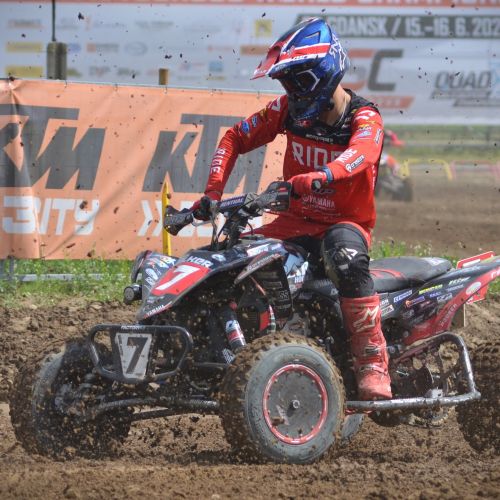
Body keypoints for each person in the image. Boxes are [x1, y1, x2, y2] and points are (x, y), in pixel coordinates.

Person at [193, 18, 391, 400]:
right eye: (287, 83)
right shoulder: (285, 109)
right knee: (231, 262)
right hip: (292, 222)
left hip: (344, 224)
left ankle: (372, 361)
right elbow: (234, 137)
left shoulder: (364, 117)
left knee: (346, 258)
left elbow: (363, 154)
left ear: (322, 74)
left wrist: (322, 175)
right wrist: (213, 192)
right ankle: (227, 354)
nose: (292, 91)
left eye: (297, 81)